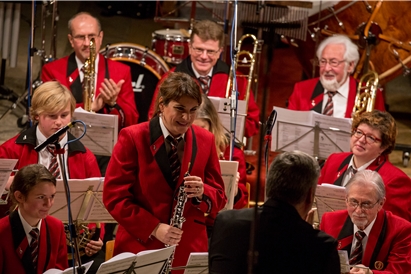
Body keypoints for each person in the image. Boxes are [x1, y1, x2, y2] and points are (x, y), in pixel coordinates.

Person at [103, 72, 226, 271]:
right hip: (142, 245)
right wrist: (153, 228)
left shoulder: (206, 140)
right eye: (180, 109)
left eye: (193, 110)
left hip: (188, 249)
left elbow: (220, 197)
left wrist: (203, 193)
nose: (187, 118)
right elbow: (114, 197)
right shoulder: (133, 137)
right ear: (162, 105)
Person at [0, 81, 104, 271]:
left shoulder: (84, 156)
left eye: (64, 115)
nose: (59, 122)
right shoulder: (11, 149)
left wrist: (97, 237)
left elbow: (96, 204)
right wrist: (6, 187)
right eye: (52, 116)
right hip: (24, 238)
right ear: (37, 115)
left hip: (69, 244)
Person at [209, 151, 340, 274]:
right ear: (310, 195)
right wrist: (305, 231)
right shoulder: (322, 246)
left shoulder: (225, 222)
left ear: (269, 186)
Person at [148, 19, 260, 138]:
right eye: (199, 49)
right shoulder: (170, 78)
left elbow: (253, 123)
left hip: (223, 149)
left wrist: (218, 129)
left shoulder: (237, 80)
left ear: (220, 51)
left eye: (211, 51)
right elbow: (154, 119)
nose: (204, 56)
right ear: (190, 47)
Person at [41, 12, 138, 129]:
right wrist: (90, 108)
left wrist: (114, 104)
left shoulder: (121, 71)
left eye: (92, 37)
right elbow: (48, 116)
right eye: (80, 37)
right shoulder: (52, 70)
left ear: (100, 37)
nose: (87, 43)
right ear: (71, 40)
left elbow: (132, 121)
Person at [318, 110, 411, 222]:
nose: (361, 140)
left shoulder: (396, 180)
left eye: (371, 137)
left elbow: (398, 228)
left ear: (384, 147)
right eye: (359, 132)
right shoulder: (334, 160)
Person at [321, 170, 411, 274]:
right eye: (354, 202)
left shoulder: (402, 230)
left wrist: (370, 273)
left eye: (366, 204)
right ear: (346, 200)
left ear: (381, 203)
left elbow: (399, 271)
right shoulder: (329, 220)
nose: (358, 210)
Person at [288, 34, 385, 117]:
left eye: (333, 62)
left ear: (350, 66)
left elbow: (380, 135)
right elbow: (286, 130)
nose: (326, 68)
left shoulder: (369, 94)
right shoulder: (302, 90)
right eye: (323, 61)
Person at [0, 164, 68, 273]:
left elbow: (61, 269)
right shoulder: (2, 231)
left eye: (52, 196)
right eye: (41, 197)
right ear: (19, 197)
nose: (48, 204)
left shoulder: (56, 226)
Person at [193, 94, 248, 209]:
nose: (196, 134)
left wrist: (235, 192)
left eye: (202, 128)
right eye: (191, 129)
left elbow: (242, 204)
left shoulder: (232, 151)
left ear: (212, 125)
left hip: (218, 219)